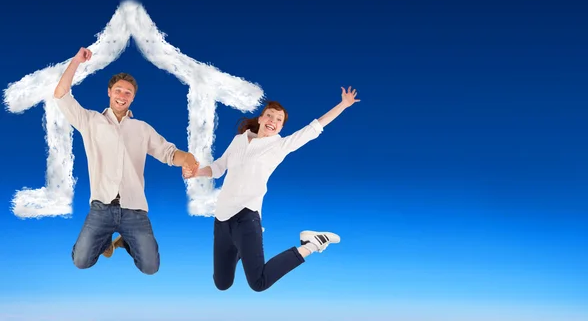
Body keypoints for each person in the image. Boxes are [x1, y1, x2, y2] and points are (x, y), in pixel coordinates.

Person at [183, 86, 360, 291]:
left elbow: (314, 129)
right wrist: (196, 173)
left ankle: (313, 243)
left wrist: (344, 104)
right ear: (260, 119)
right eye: (270, 116)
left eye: (279, 120)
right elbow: (218, 167)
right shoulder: (239, 140)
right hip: (222, 218)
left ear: (281, 127)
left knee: (259, 283)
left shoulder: (279, 146)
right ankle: (245, 246)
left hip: (246, 217)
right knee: (222, 284)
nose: (273, 121)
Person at [54, 47, 199, 275]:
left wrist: (188, 159)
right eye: (118, 90)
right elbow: (61, 94)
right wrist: (76, 61)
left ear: (133, 98)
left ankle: (124, 241)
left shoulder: (142, 129)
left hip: (135, 210)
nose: (122, 96)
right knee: (81, 261)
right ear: (109, 92)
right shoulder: (90, 121)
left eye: (128, 93)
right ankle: (104, 243)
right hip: (101, 207)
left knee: (150, 267)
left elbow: (170, 153)